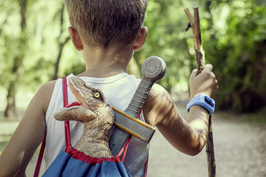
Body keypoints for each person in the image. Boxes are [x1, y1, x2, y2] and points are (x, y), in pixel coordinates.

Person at [0, 0, 218, 176]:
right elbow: (195, 143)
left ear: (75, 37)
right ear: (140, 38)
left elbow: (7, 170)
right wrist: (201, 98)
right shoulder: (152, 96)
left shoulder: (49, 94)